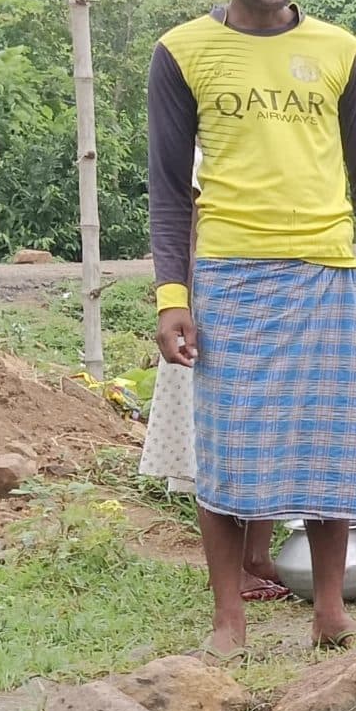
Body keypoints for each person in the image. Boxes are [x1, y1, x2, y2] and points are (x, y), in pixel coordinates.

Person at [147, 0, 356, 654]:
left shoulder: (339, 51)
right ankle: (230, 618)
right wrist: (172, 296)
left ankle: (330, 608)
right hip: (229, 272)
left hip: (329, 270)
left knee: (332, 442)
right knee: (226, 446)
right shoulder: (182, 52)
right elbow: (166, 189)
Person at [138, 145, 284, 601]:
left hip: (265, 291)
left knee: (265, 426)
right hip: (214, 298)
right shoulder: (207, 148)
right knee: (227, 433)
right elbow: (186, 227)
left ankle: (257, 556)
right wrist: (179, 297)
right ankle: (234, 568)